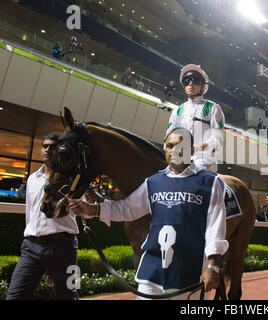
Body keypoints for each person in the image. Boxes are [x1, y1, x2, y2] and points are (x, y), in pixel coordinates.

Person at [68, 128, 228, 298]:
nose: (174, 151)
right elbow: (127, 208)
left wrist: (212, 265)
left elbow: (215, 226)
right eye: (169, 146)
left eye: (180, 146)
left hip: (190, 272)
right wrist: (92, 209)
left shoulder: (211, 182)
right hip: (151, 271)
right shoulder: (152, 182)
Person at [7, 133, 79, 300]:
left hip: (65, 248)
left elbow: (84, 210)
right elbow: (30, 213)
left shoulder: (72, 180)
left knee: (69, 296)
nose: (48, 150)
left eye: (53, 147)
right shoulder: (32, 179)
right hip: (31, 247)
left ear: (60, 151)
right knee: (14, 296)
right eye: (45, 146)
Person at [165, 64, 225, 173]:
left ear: (203, 86)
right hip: (180, 160)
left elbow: (218, 141)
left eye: (196, 80)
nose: (191, 84)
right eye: (186, 81)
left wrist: (194, 149)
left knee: (196, 169)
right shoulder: (177, 111)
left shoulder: (213, 108)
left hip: (204, 160)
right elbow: (167, 139)